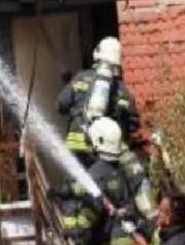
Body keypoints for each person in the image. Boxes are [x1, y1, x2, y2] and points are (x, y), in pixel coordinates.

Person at [57, 37, 157, 224]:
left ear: (98, 54)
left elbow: (61, 106)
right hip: (102, 151)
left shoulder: (80, 77)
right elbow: (133, 125)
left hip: (76, 148)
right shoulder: (124, 91)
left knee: (72, 188)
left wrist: (75, 105)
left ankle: (71, 230)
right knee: (105, 188)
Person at [57, 117, 143, 245]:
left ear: (98, 141)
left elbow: (92, 209)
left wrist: (77, 230)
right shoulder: (123, 167)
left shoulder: (96, 173)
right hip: (125, 233)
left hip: (105, 236)